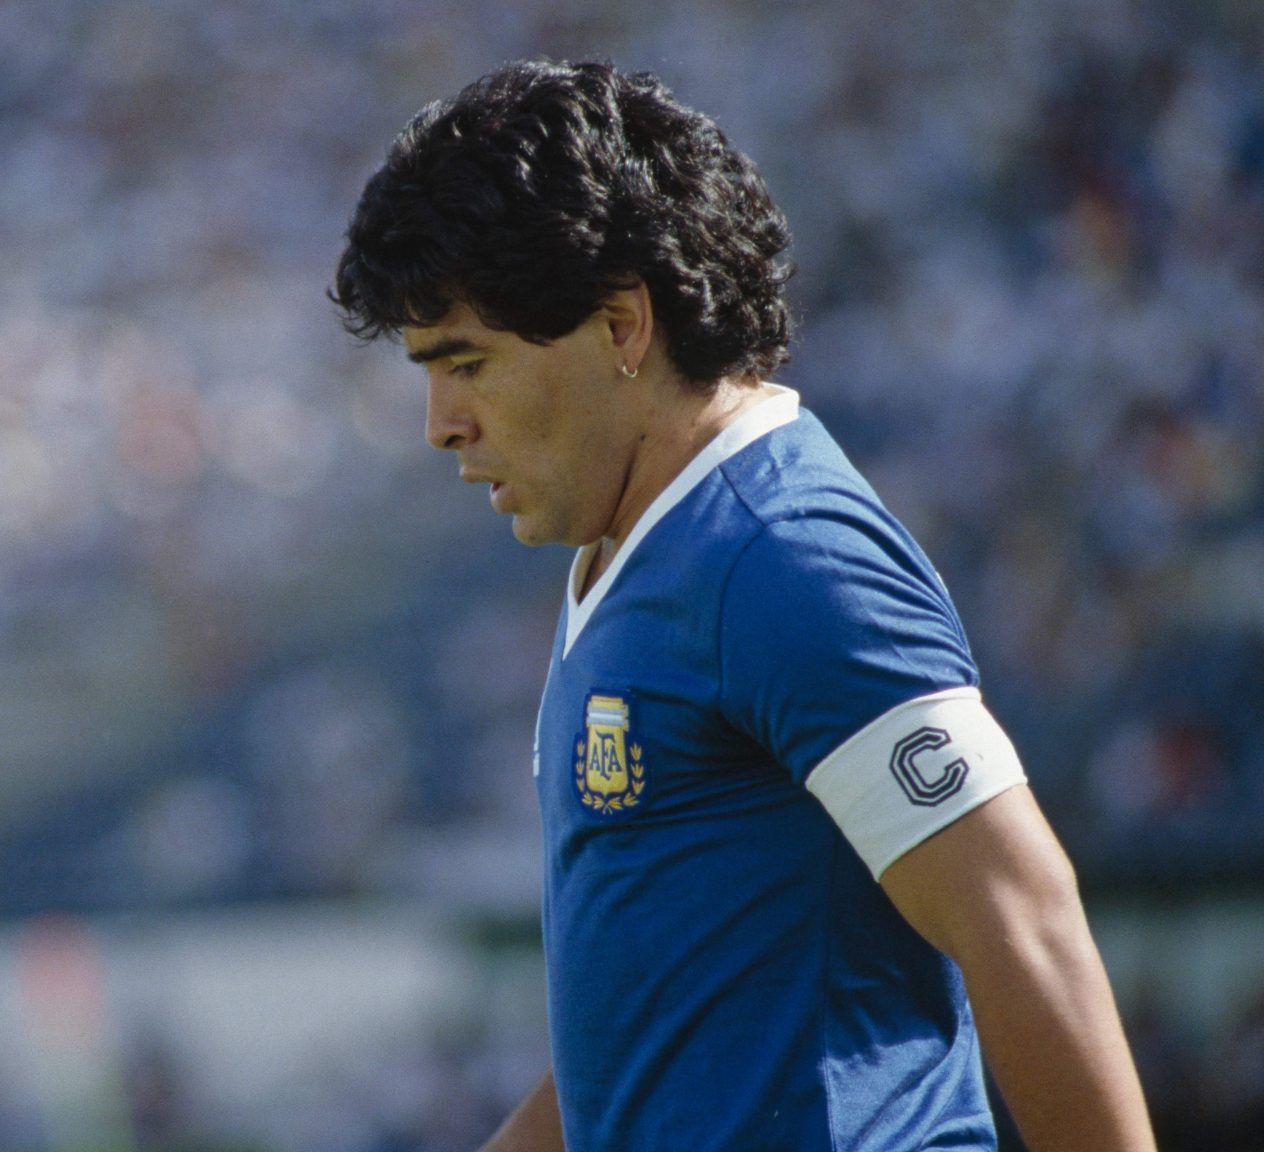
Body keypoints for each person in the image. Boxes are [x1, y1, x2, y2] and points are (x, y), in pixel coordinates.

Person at [330, 60, 1156, 1152]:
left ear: (621, 325)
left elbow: (1021, 917)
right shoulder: (642, 547)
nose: (439, 422)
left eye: (468, 362)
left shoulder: (780, 554)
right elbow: (655, 1036)